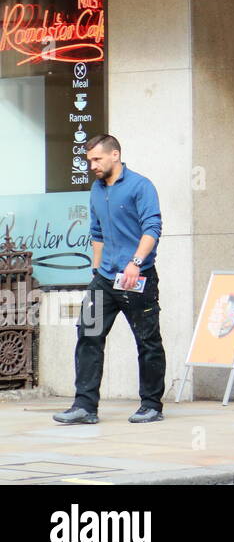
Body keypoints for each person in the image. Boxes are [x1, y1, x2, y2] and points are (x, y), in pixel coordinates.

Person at [54, 135, 166, 425]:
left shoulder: (140, 186)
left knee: (147, 341)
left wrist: (135, 263)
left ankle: (152, 404)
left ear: (115, 155)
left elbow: (152, 228)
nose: (92, 165)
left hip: (136, 278)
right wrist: (95, 272)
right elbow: (98, 233)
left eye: (97, 159)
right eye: (89, 160)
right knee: (87, 335)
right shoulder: (96, 189)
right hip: (104, 279)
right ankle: (85, 406)